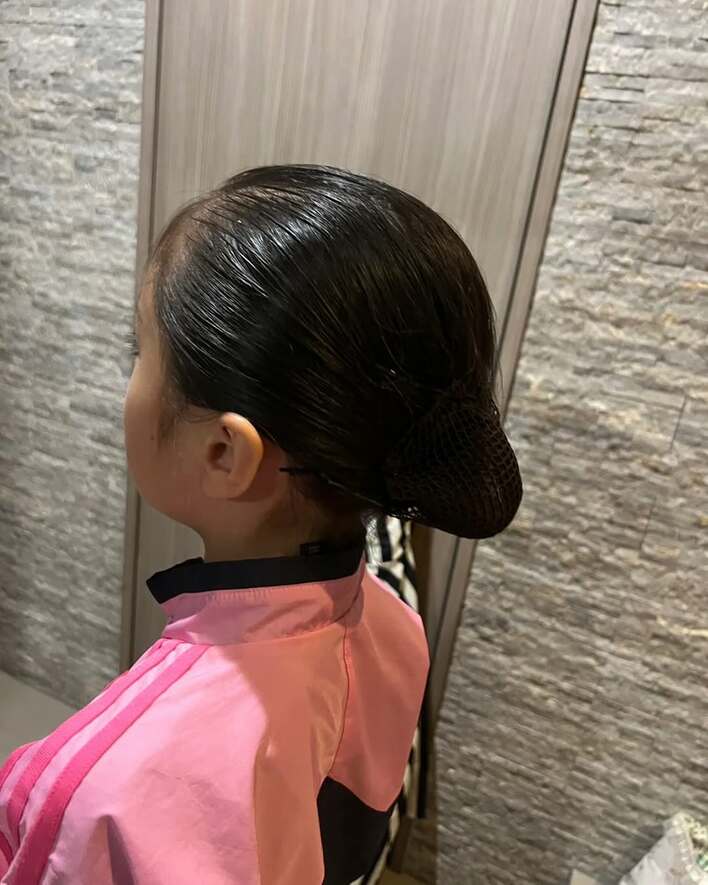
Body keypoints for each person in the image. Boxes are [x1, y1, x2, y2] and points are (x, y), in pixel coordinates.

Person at [0, 165, 522, 884]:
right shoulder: (396, 631)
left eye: (139, 351)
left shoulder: (103, 799)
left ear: (225, 452)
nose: (129, 377)